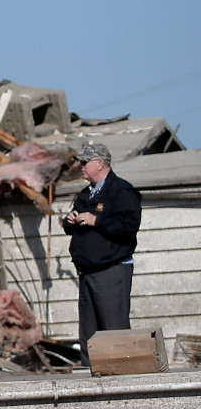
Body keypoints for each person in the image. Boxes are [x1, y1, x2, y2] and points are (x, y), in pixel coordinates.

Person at [62, 142, 141, 342]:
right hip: (87, 271)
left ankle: (122, 370)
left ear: (99, 163)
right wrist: (69, 220)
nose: (81, 166)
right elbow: (71, 226)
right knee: (91, 333)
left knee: (114, 330)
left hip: (111, 269)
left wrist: (96, 220)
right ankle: (93, 370)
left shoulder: (120, 190)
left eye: (84, 162)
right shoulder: (85, 194)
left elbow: (129, 224)